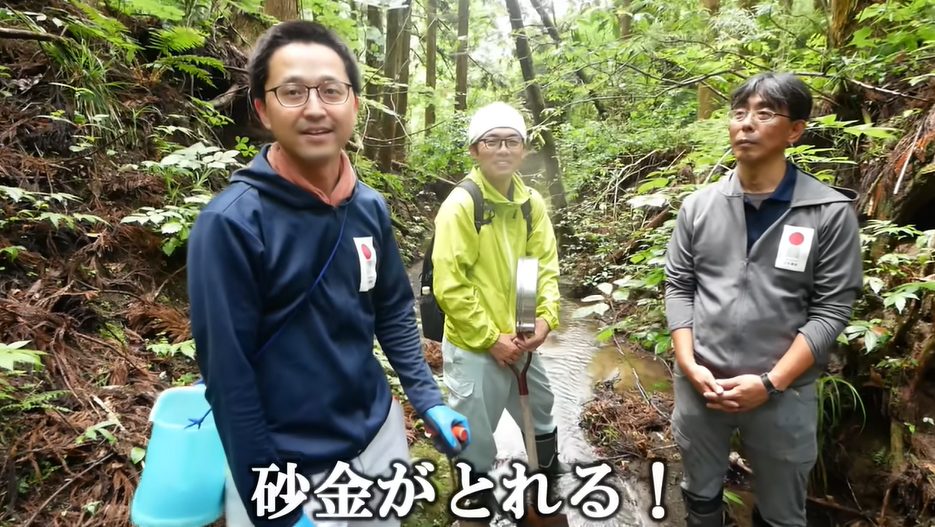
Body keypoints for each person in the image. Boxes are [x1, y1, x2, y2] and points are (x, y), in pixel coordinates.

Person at [187, 21, 470, 527]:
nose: (315, 108)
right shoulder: (230, 224)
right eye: (292, 92)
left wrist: (427, 399)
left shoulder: (369, 207)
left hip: (378, 438)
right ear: (262, 108)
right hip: (288, 464)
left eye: (331, 91)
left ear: (354, 104)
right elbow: (229, 381)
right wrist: (274, 504)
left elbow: (392, 310)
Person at [664, 72, 863, 527]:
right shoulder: (699, 206)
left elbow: (831, 308)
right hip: (701, 387)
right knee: (699, 492)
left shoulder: (827, 212)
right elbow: (680, 286)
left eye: (764, 114)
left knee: (781, 512)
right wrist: (688, 364)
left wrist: (770, 382)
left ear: (795, 130)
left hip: (783, 394)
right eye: (739, 113)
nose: (746, 125)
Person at [431, 102, 564, 516]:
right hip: (476, 347)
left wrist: (541, 319)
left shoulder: (530, 204)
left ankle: (546, 482)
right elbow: (450, 284)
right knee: (475, 434)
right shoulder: (462, 205)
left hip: (519, 341)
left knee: (540, 409)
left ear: (523, 149)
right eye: (492, 141)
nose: (503, 149)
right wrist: (491, 340)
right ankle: (475, 502)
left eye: (512, 141)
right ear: (475, 150)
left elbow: (540, 267)